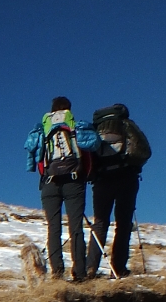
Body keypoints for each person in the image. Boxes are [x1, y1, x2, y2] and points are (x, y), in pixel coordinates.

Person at [25, 96, 100, 281]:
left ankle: (57, 273)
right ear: (69, 109)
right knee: (76, 228)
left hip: (49, 183)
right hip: (74, 181)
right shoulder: (76, 124)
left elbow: (29, 147)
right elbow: (94, 144)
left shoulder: (42, 127)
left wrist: (32, 167)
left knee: (54, 228)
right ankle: (80, 273)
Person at [87, 104, 150, 278]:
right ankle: (118, 269)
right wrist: (132, 165)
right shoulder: (126, 125)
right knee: (123, 224)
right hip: (126, 177)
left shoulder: (94, 129)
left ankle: (90, 268)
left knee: (100, 223)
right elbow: (144, 150)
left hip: (101, 181)